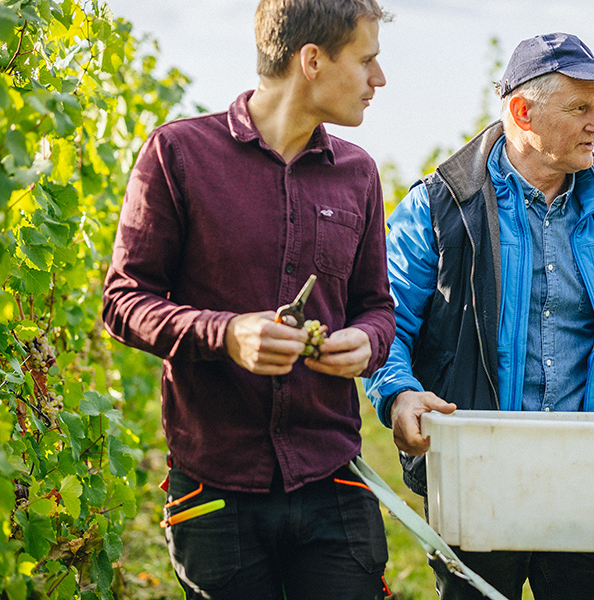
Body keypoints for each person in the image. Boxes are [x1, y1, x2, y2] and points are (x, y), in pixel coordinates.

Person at [363, 32, 594, 600]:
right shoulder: (439, 207)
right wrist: (397, 394)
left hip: (591, 478)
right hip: (478, 474)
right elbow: (387, 324)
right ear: (522, 111)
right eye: (581, 108)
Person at [101, 1, 395, 598]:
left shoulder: (358, 174)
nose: (378, 80)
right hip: (213, 494)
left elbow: (377, 306)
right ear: (312, 60)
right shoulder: (178, 154)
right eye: (367, 60)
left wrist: (365, 341)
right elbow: (123, 301)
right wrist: (227, 334)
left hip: (332, 483)